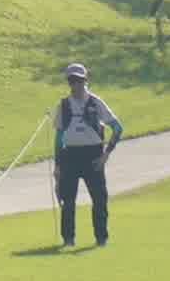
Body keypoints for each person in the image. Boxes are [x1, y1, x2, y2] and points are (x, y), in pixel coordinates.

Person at [52, 64, 122, 247]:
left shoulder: (96, 103)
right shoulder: (63, 105)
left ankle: (101, 238)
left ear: (85, 80)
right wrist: (57, 165)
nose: (75, 84)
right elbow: (59, 138)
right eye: (72, 81)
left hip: (93, 155)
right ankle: (68, 239)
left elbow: (117, 128)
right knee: (68, 201)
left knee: (99, 199)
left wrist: (106, 155)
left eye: (79, 80)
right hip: (70, 156)